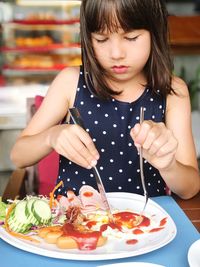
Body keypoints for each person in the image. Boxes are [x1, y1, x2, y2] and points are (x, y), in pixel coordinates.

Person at [10, 0, 199, 199]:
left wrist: (169, 165)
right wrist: (51, 136)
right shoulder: (70, 82)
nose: (116, 54)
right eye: (101, 39)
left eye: (131, 37)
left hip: (146, 224)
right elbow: (18, 156)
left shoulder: (173, 91)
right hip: (75, 223)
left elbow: (190, 188)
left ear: (155, 32)